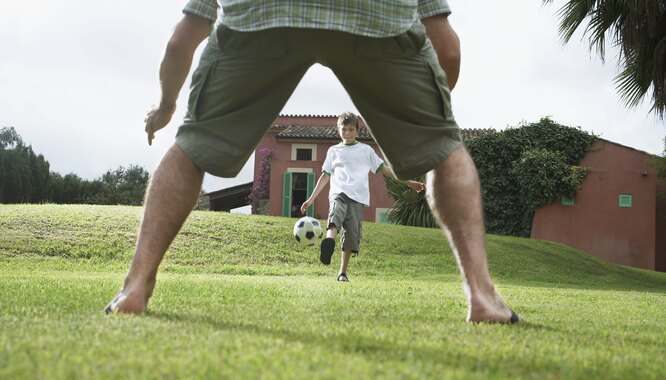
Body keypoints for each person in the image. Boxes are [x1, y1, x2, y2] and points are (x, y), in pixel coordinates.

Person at [105, 0, 521, 324]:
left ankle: (135, 287)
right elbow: (447, 46)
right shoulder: (339, 151)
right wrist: (433, 124)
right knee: (447, 153)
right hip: (376, 17)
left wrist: (165, 105)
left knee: (191, 146)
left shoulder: (361, 151)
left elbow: (183, 38)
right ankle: (482, 296)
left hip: (263, 15)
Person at [300, 112, 424, 282]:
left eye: (351, 130)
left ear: (358, 131)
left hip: (358, 198)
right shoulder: (333, 151)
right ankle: (329, 242)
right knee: (335, 213)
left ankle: (342, 272)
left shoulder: (366, 150)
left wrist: (409, 182)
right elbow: (325, 176)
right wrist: (311, 199)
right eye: (344, 130)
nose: (347, 133)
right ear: (339, 130)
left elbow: (385, 170)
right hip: (339, 192)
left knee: (351, 235)